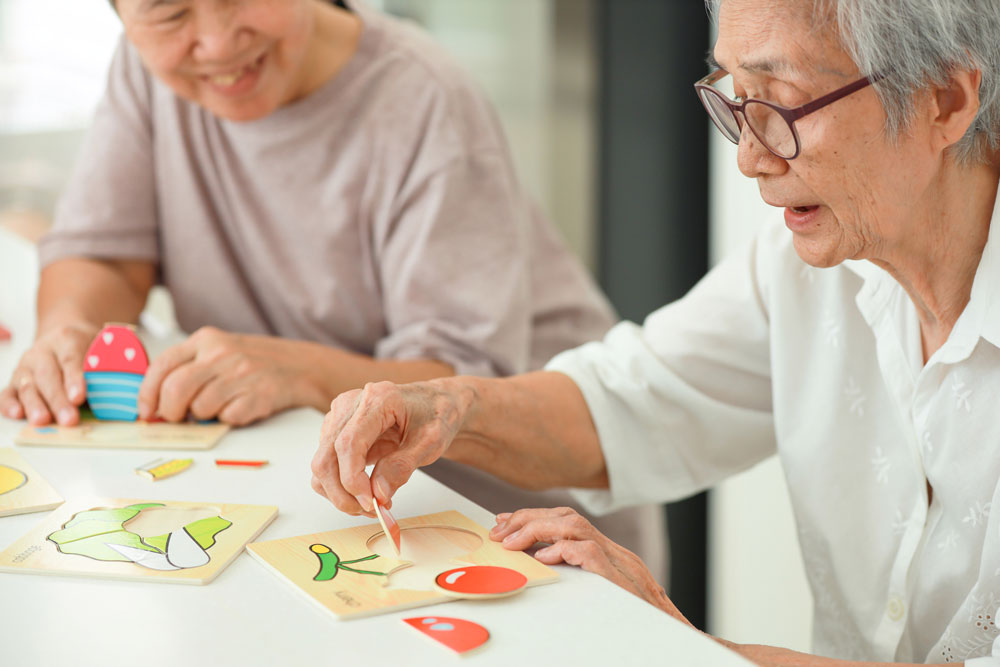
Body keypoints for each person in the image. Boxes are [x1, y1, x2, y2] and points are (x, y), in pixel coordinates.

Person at [310, 0, 1000, 663]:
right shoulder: (809, 265)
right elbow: (632, 402)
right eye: (737, 100)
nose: (751, 158)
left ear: (945, 99)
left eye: (781, 103)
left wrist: (682, 646)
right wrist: (447, 409)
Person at [0, 0, 665, 578]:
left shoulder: (422, 95)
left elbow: (456, 388)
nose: (218, 41)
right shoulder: (146, 72)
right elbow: (106, 252)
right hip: (325, 504)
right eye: (169, 12)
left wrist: (288, 367)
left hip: (506, 514)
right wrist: (69, 330)